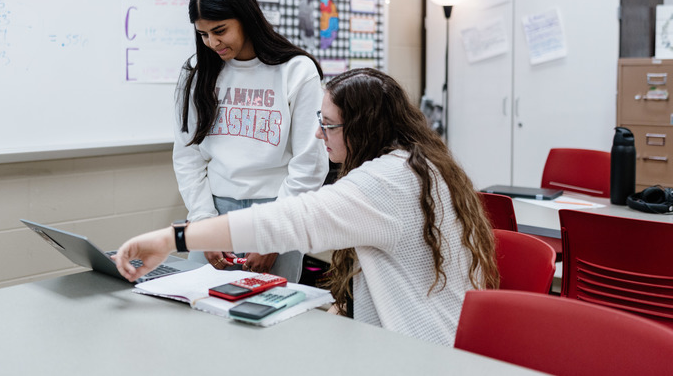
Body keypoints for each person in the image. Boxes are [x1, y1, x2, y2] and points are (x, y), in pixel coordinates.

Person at [116, 68, 499, 346]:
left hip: (418, 351)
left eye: (328, 124)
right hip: (411, 339)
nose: (318, 134)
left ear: (363, 129)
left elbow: (285, 221)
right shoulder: (416, 163)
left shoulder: (387, 182)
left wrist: (173, 239)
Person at [172, 0, 329, 282]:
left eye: (220, 30)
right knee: (200, 315)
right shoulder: (196, 72)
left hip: (277, 209)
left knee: (269, 318)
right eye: (203, 34)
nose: (212, 43)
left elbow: (309, 161)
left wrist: (275, 234)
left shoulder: (296, 71)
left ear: (246, 17)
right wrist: (203, 222)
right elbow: (188, 156)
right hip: (214, 210)